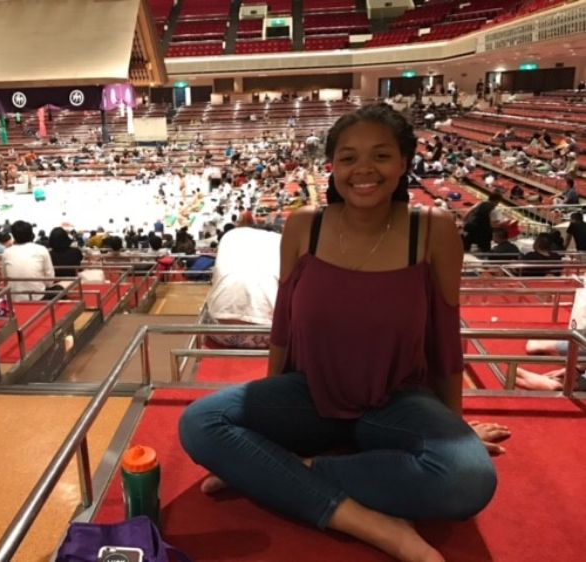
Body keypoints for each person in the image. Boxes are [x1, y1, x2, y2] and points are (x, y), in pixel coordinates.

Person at [179, 104, 508, 562]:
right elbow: (282, 330)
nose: (364, 170)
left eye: (381, 155)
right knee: (199, 423)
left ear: (404, 163)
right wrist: (268, 409)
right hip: (310, 395)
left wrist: (455, 427)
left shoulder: (431, 230)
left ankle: (284, 471)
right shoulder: (303, 226)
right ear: (331, 166)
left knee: (467, 480)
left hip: (397, 401)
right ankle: (374, 525)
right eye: (348, 158)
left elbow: (443, 337)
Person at [1, 220, 55, 301]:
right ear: (31, 234)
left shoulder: (6, 252)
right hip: (38, 297)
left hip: (14, 297)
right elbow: (50, 277)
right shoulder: (41, 249)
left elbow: (5, 277)